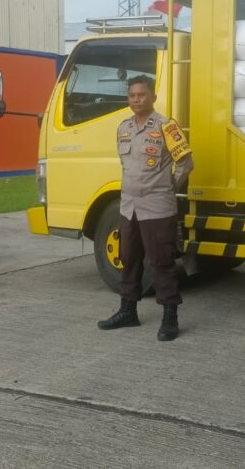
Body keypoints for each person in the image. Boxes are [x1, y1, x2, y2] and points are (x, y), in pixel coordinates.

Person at [98, 75, 194, 341]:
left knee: (161, 262)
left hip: (157, 207)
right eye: (131, 95)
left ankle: (169, 318)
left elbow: (186, 162)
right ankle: (128, 311)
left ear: (152, 97)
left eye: (141, 95)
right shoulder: (123, 128)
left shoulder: (166, 126)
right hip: (129, 206)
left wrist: (167, 186)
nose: (136, 99)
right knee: (128, 259)